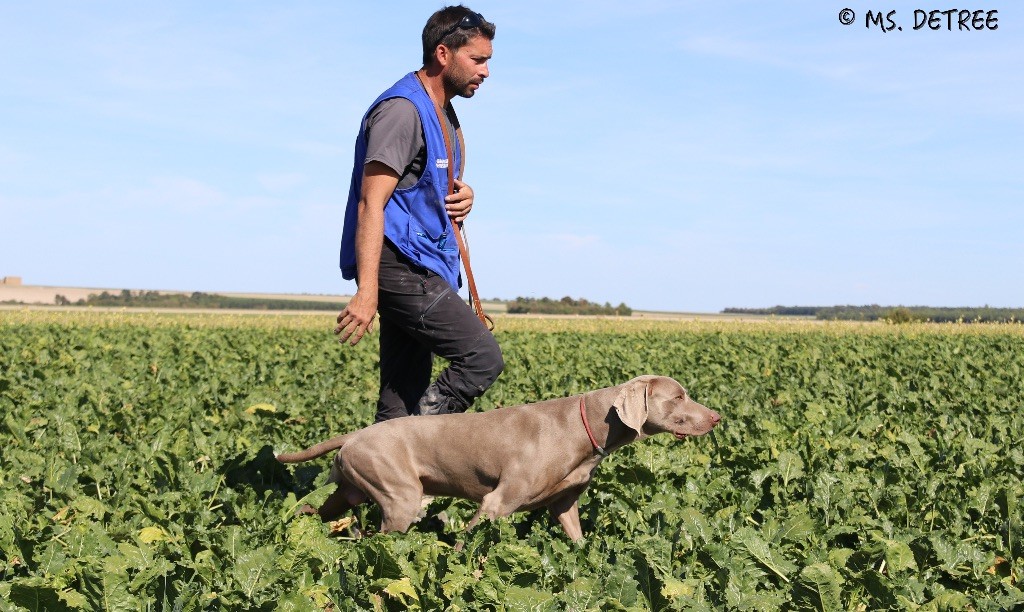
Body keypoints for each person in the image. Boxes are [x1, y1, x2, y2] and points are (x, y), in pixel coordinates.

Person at [335, 6, 503, 422]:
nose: (485, 72)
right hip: (397, 264)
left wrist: (464, 196)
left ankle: (382, 475)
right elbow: (370, 202)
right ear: (443, 54)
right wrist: (368, 291)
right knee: (481, 357)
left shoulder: (443, 111)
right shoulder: (402, 111)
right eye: (477, 60)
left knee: (402, 391)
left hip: (421, 260)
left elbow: (425, 185)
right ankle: (418, 442)